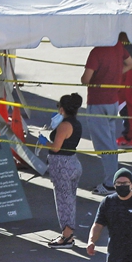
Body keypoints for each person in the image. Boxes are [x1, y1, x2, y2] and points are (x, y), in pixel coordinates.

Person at [82, 41, 132, 194]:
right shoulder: (118, 47)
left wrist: (99, 80)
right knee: (110, 142)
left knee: (104, 144)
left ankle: (111, 183)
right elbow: (130, 63)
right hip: (112, 101)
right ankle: (113, 178)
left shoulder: (96, 52)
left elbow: (85, 79)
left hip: (97, 102)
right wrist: (115, 76)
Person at [45, 93, 85, 247]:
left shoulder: (64, 125)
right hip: (73, 162)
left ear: (62, 109)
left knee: (63, 201)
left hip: (62, 165)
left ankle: (66, 236)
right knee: (70, 199)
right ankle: (69, 234)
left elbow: (56, 147)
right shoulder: (76, 124)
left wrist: (43, 142)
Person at [117, 32, 132, 149]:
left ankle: (130, 135)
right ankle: (130, 133)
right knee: (125, 99)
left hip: (128, 67)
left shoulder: (129, 24)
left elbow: (124, 36)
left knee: (125, 100)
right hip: (130, 66)